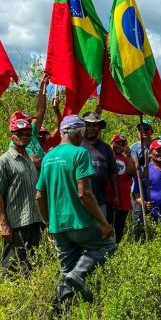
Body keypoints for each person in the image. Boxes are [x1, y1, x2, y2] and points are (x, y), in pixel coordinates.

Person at [35, 115, 115, 308]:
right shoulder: (80, 153)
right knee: (108, 246)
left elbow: (39, 195)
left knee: (66, 269)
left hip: (57, 225)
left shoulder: (48, 158)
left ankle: (60, 313)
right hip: (80, 222)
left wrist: (48, 224)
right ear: (79, 132)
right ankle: (78, 275)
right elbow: (84, 194)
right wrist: (104, 223)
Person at [0, 117, 43, 273]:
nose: (24, 136)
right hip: (16, 224)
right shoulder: (3, 162)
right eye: (19, 133)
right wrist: (4, 225)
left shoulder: (30, 160)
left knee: (32, 266)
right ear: (11, 135)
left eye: (27, 133)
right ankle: (5, 297)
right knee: (10, 268)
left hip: (35, 221)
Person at [81, 112, 119, 216]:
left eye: (94, 125)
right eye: (87, 124)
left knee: (100, 231)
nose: (91, 128)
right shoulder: (77, 146)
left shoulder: (106, 148)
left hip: (100, 202)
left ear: (99, 128)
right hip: (79, 202)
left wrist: (116, 195)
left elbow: (113, 173)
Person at [8, 74, 49, 169]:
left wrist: (42, 88)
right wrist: (51, 156)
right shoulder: (16, 142)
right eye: (26, 122)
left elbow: (40, 112)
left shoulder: (31, 133)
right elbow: (36, 163)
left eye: (29, 122)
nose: (29, 124)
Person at [107, 135, 136, 243]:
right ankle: (106, 249)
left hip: (123, 200)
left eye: (123, 144)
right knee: (107, 225)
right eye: (117, 143)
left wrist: (128, 156)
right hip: (108, 198)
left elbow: (132, 172)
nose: (120, 146)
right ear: (111, 143)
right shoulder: (107, 157)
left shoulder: (126, 159)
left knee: (119, 227)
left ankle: (117, 248)